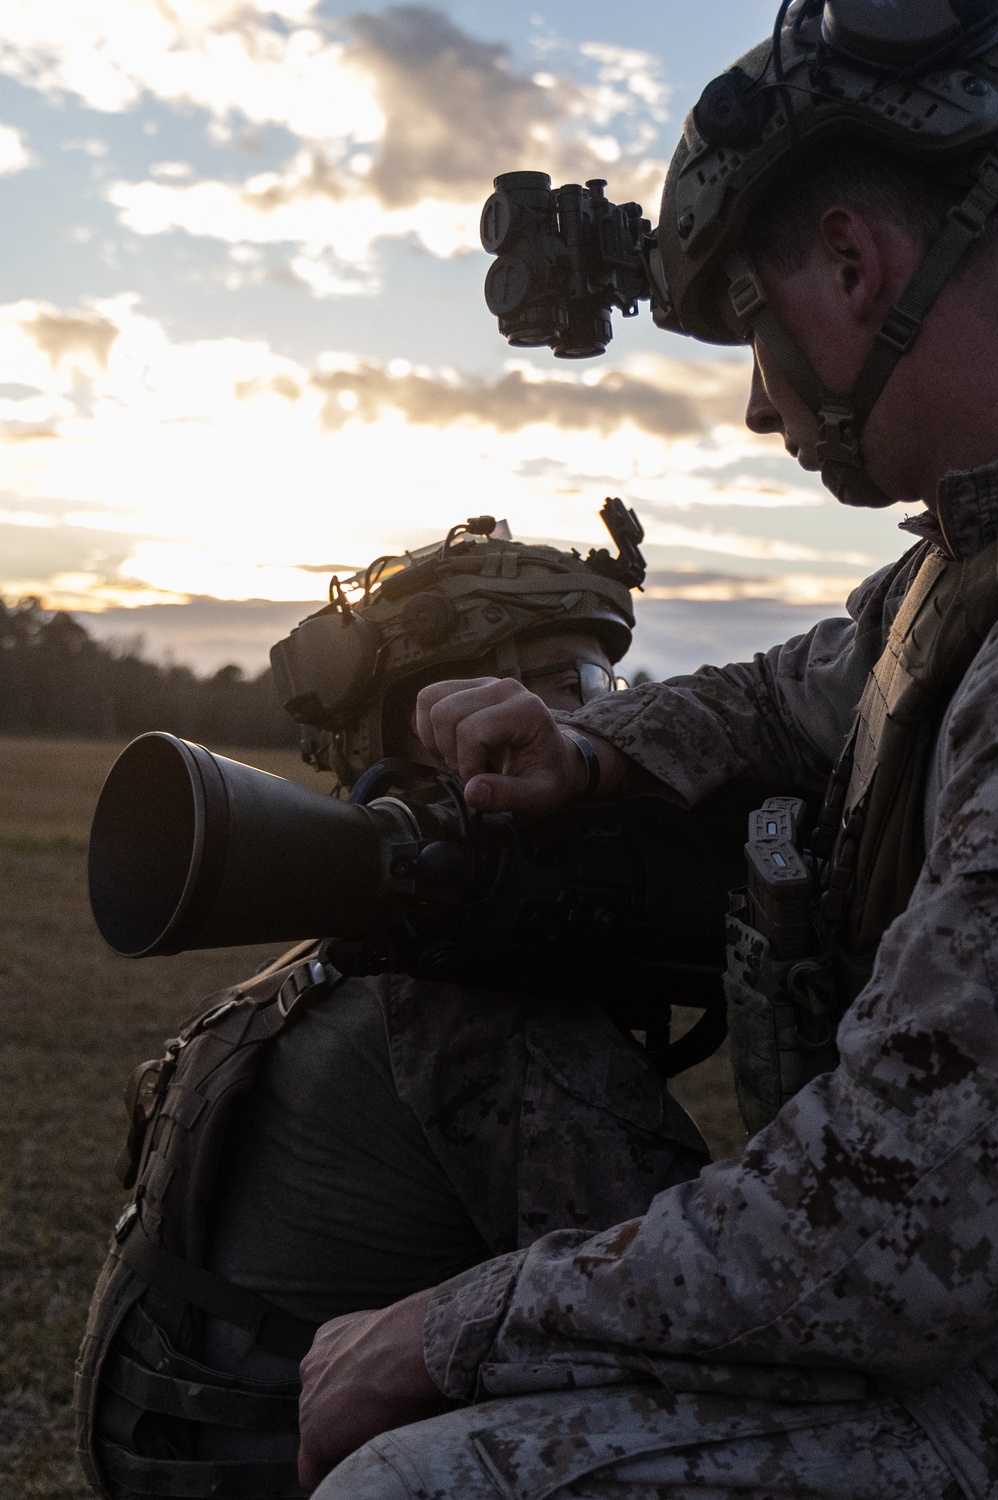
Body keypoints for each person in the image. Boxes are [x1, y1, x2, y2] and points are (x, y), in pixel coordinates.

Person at [299, 4, 998, 1497]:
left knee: (402, 1486)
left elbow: (890, 1234)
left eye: (753, 325)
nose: (759, 403)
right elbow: (795, 687)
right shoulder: (958, 570)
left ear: (856, 268)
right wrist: (587, 752)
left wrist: (444, 1331)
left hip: (957, 1349)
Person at [76, 513, 722, 1500]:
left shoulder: (335, 958)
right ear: (442, 716)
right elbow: (704, 1318)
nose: (604, 717)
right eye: (572, 684)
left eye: (608, 684)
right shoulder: (471, 1015)